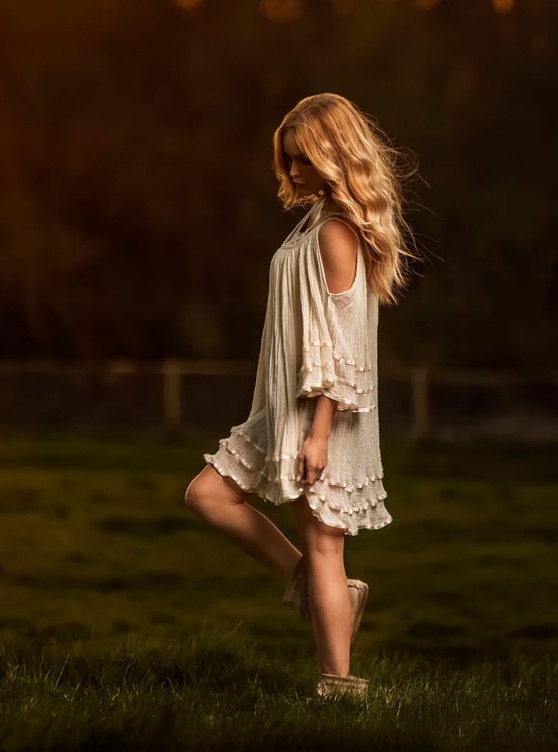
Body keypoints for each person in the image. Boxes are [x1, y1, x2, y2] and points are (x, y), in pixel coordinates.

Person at [183, 93, 415, 700]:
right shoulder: (315, 218)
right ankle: (315, 588)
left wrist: (318, 433)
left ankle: (340, 684)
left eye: (303, 161)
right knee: (207, 496)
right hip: (282, 409)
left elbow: (343, 347)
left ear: (334, 157)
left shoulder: (337, 232)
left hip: (320, 415)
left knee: (324, 543)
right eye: (287, 161)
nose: (292, 172)